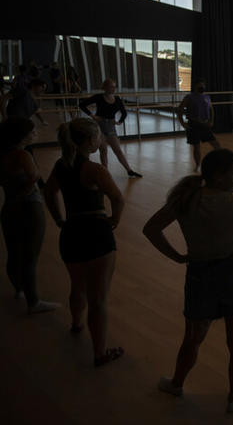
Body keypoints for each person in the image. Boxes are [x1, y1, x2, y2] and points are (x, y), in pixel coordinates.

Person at [143, 148, 233, 413]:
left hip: (199, 276)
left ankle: (177, 383)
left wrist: (176, 256)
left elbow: (151, 229)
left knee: (192, 338)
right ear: (218, 177)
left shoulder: (185, 200)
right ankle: (232, 396)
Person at [44, 118, 125, 367]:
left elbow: (49, 192)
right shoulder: (94, 170)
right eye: (98, 136)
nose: (100, 140)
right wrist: (114, 219)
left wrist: (59, 219)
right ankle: (100, 353)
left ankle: (77, 324)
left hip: (71, 232)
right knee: (98, 298)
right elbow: (117, 198)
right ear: (90, 141)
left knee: (77, 285)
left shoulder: (61, 165)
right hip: (96, 233)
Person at [0, 118, 59, 313]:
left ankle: (19, 289)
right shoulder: (22, 154)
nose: (35, 134)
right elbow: (34, 177)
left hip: (9, 206)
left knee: (14, 252)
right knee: (30, 256)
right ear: (22, 136)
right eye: (32, 132)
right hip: (29, 207)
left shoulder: (4, 154)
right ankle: (33, 301)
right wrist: (25, 191)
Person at [79, 79, 142, 178]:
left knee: (117, 150)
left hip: (110, 126)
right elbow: (82, 105)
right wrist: (92, 116)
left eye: (114, 86)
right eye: (111, 86)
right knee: (103, 149)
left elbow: (124, 112)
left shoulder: (117, 99)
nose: (113, 89)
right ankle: (105, 172)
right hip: (99, 125)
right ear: (105, 87)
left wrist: (119, 122)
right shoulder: (99, 97)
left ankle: (129, 170)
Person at [177, 79, 220, 172]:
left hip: (204, 124)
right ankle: (197, 165)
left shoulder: (207, 97)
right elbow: (180, 110)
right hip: (193, 124)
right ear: (195, 87)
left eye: (203, 86)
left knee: (216, 144)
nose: (202, 88)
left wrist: (211, 121)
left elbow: (211, 110)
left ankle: (220, 161)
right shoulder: (189, 97)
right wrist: (183, 123)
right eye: (200, 86)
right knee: (196, 146)